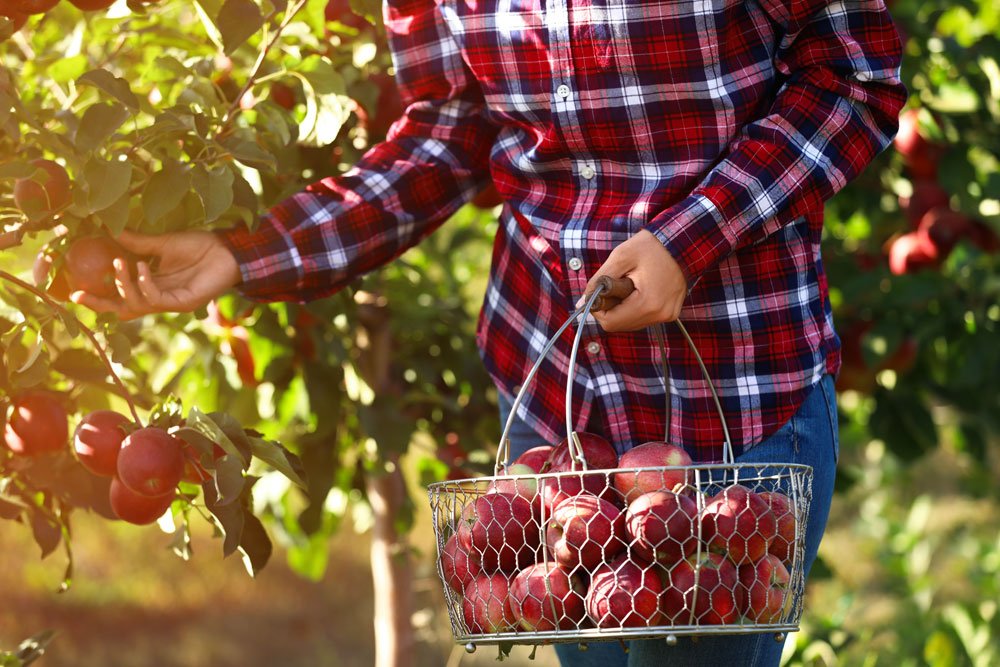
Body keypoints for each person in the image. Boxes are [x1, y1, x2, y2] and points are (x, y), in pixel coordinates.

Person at [72, 0, 906, 663]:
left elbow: (854, 76)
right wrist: (246, 254)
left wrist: (692, 240)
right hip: (555, 395)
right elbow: (451, 133)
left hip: (734, 387)